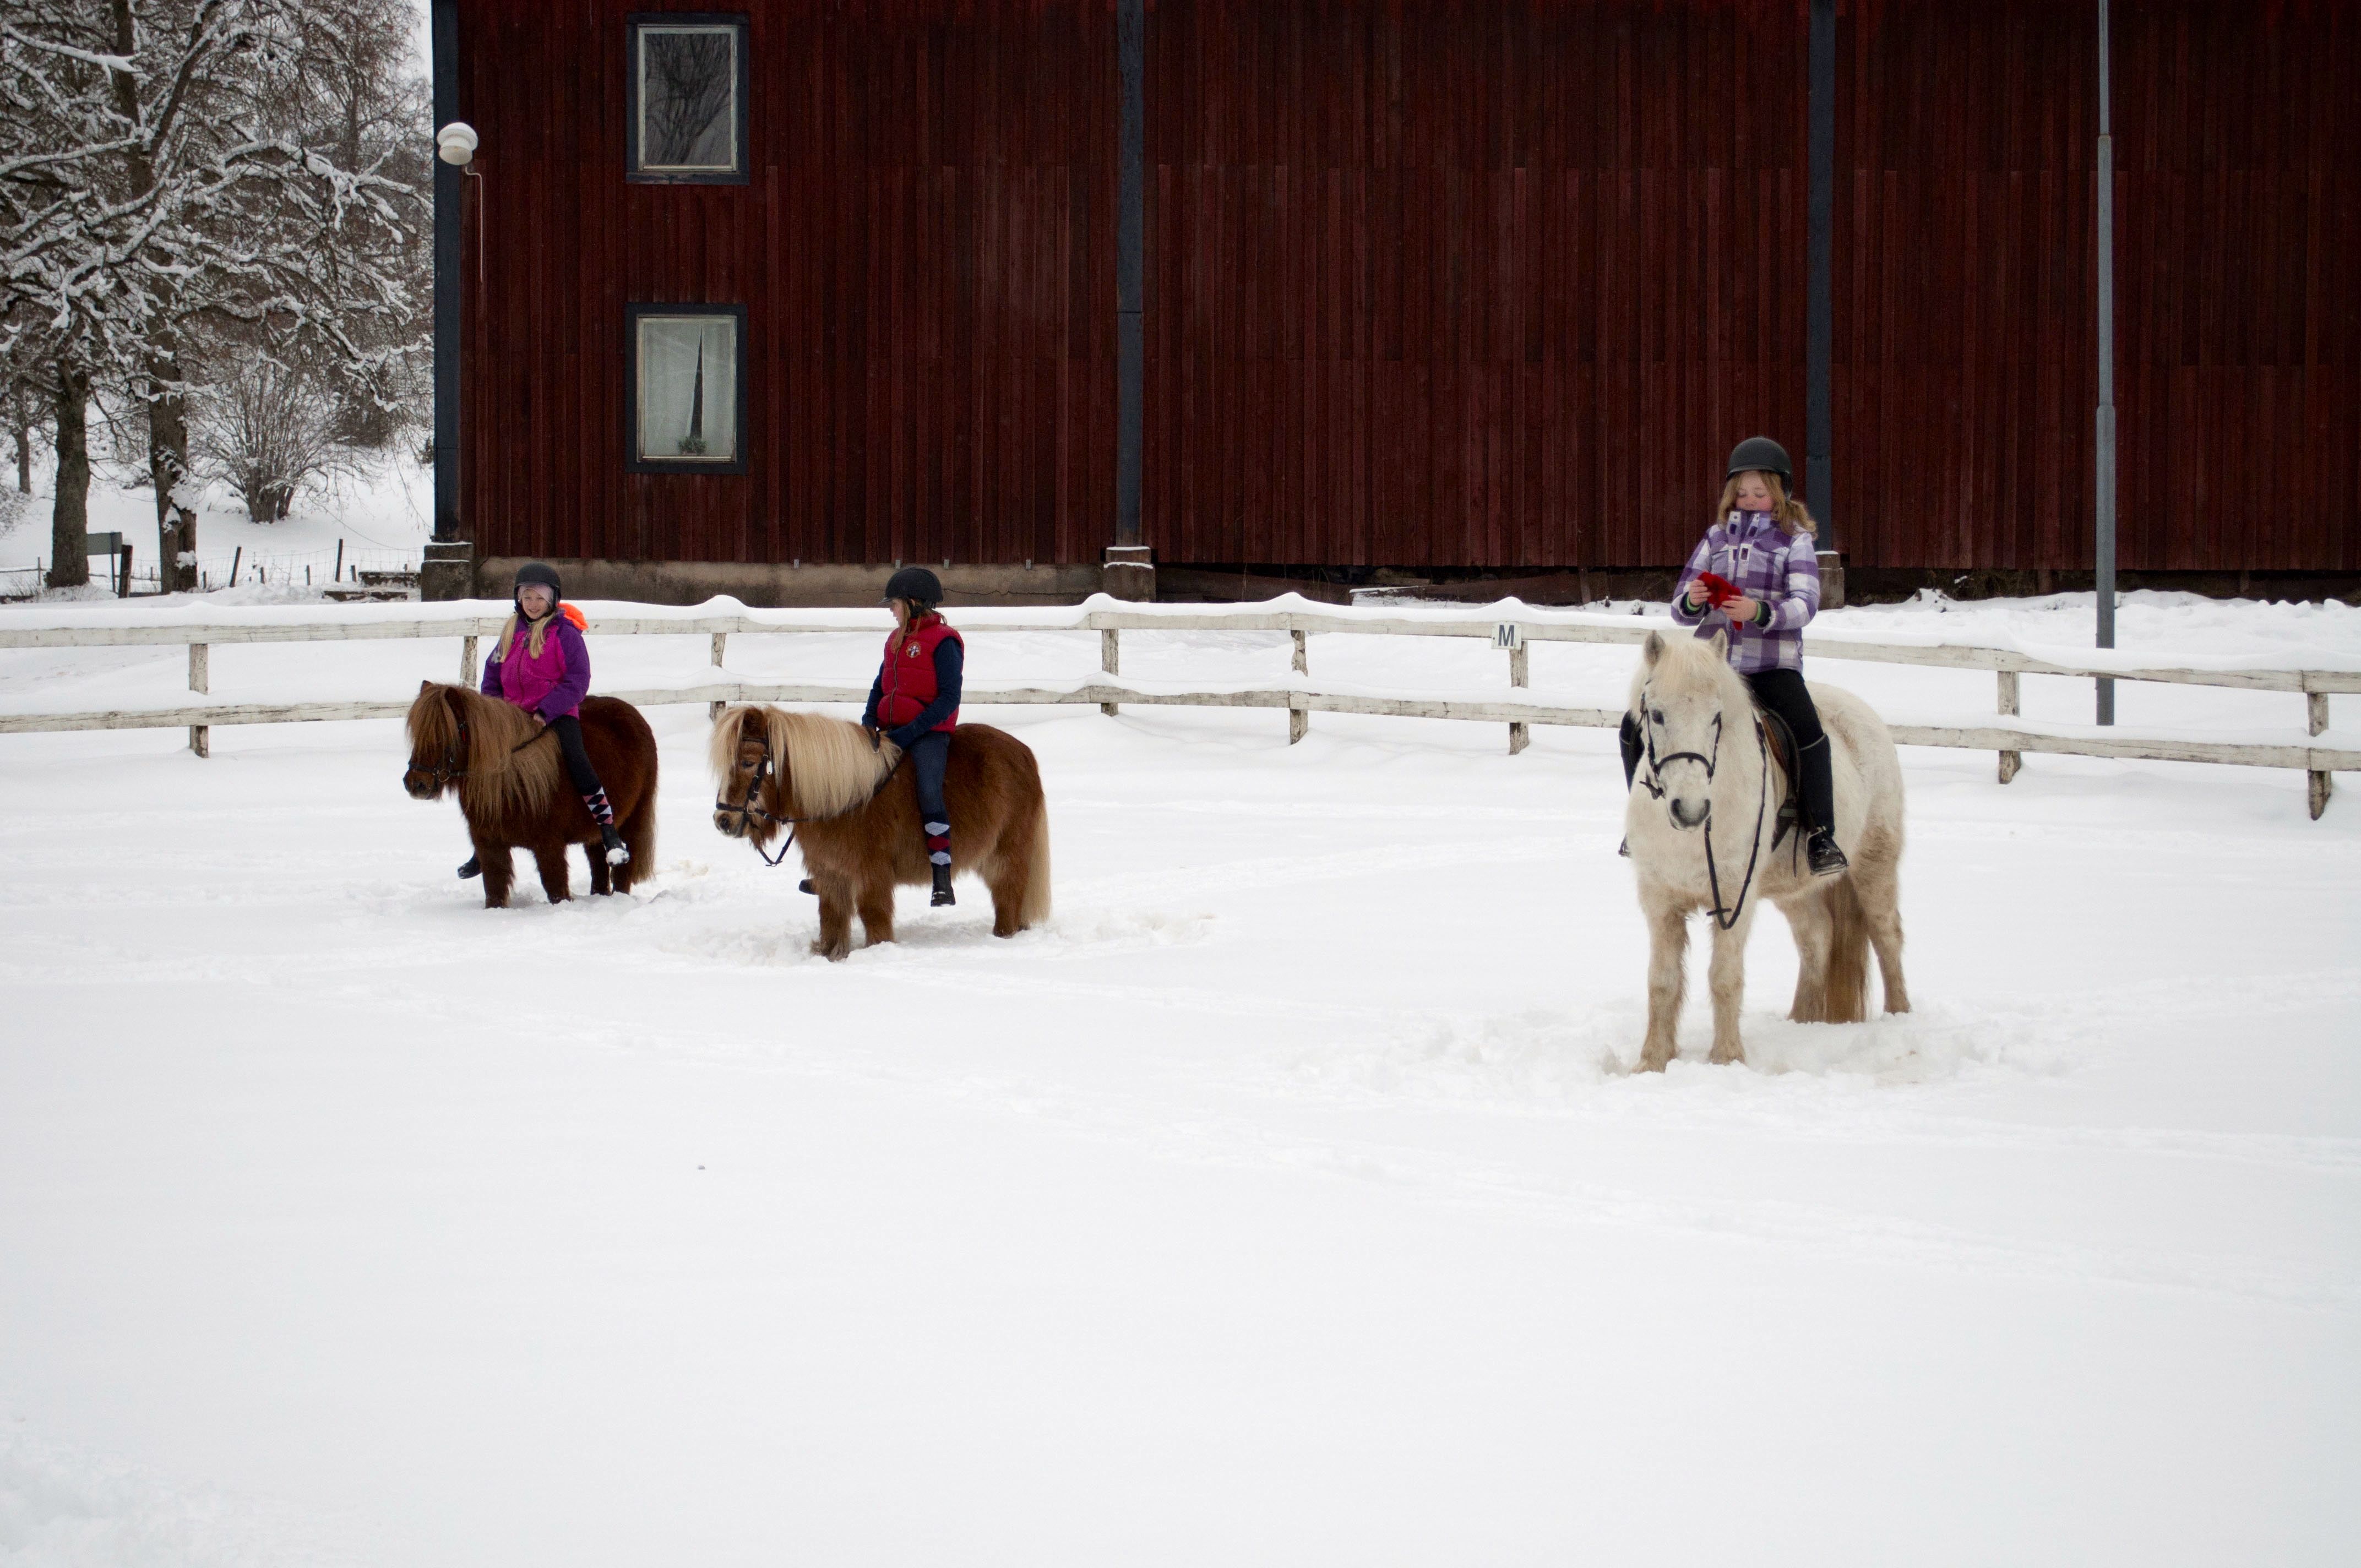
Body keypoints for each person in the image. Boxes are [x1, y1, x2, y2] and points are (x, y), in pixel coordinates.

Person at [1622, 436, 1848, 876]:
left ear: (1780, 493)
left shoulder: (1795, 541)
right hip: (1713, 672)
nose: (1749, 500)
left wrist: (1759, 612)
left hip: (1770, 666)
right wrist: (1694, 599)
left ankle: (1821, 832)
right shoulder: (1716, 538)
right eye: (1742, 492)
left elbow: (1806, 604)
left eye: (1760, 492)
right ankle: (1644, 819)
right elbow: (1679, 608)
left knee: (1807, 731)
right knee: (1634, 727)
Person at [458, 563, 628, 878]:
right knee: (485, 769)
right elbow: (492, 677)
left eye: (540, 597)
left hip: (556, 715)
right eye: (527, 597)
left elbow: (578, 680)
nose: (533, 604)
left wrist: (546, 711)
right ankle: (484, 846)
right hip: (512, 719)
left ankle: (608, 831)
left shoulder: (565, 634)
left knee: (578, 762)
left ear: (553, 599)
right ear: (518, 599)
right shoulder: (510, 633)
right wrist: (495, 714)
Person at [863, 566, 964, 907]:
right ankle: (842, 868)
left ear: (912, 602)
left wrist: (911, 732)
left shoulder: (944, 641)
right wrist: (869, 719)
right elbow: (880, 685)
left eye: (894, 604)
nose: (891, 611)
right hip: (891, 731)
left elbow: (949, 698)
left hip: (928, 734)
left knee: (929, 791)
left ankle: (941, 876)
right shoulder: (896, 639)